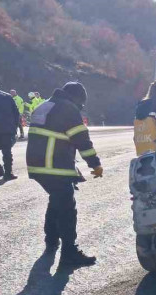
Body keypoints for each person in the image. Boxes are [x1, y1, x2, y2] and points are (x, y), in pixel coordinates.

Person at [26, 81, 103, 268]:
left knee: (57, 198)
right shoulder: (68, 108)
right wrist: (95, 164)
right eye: (81, 104)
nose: (80, 108)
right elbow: (82, 140)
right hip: (54, 164)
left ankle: (51, 240)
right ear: (77, 99)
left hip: (37, 164)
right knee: (67, 207)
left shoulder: (46, 105)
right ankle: (69, 252)